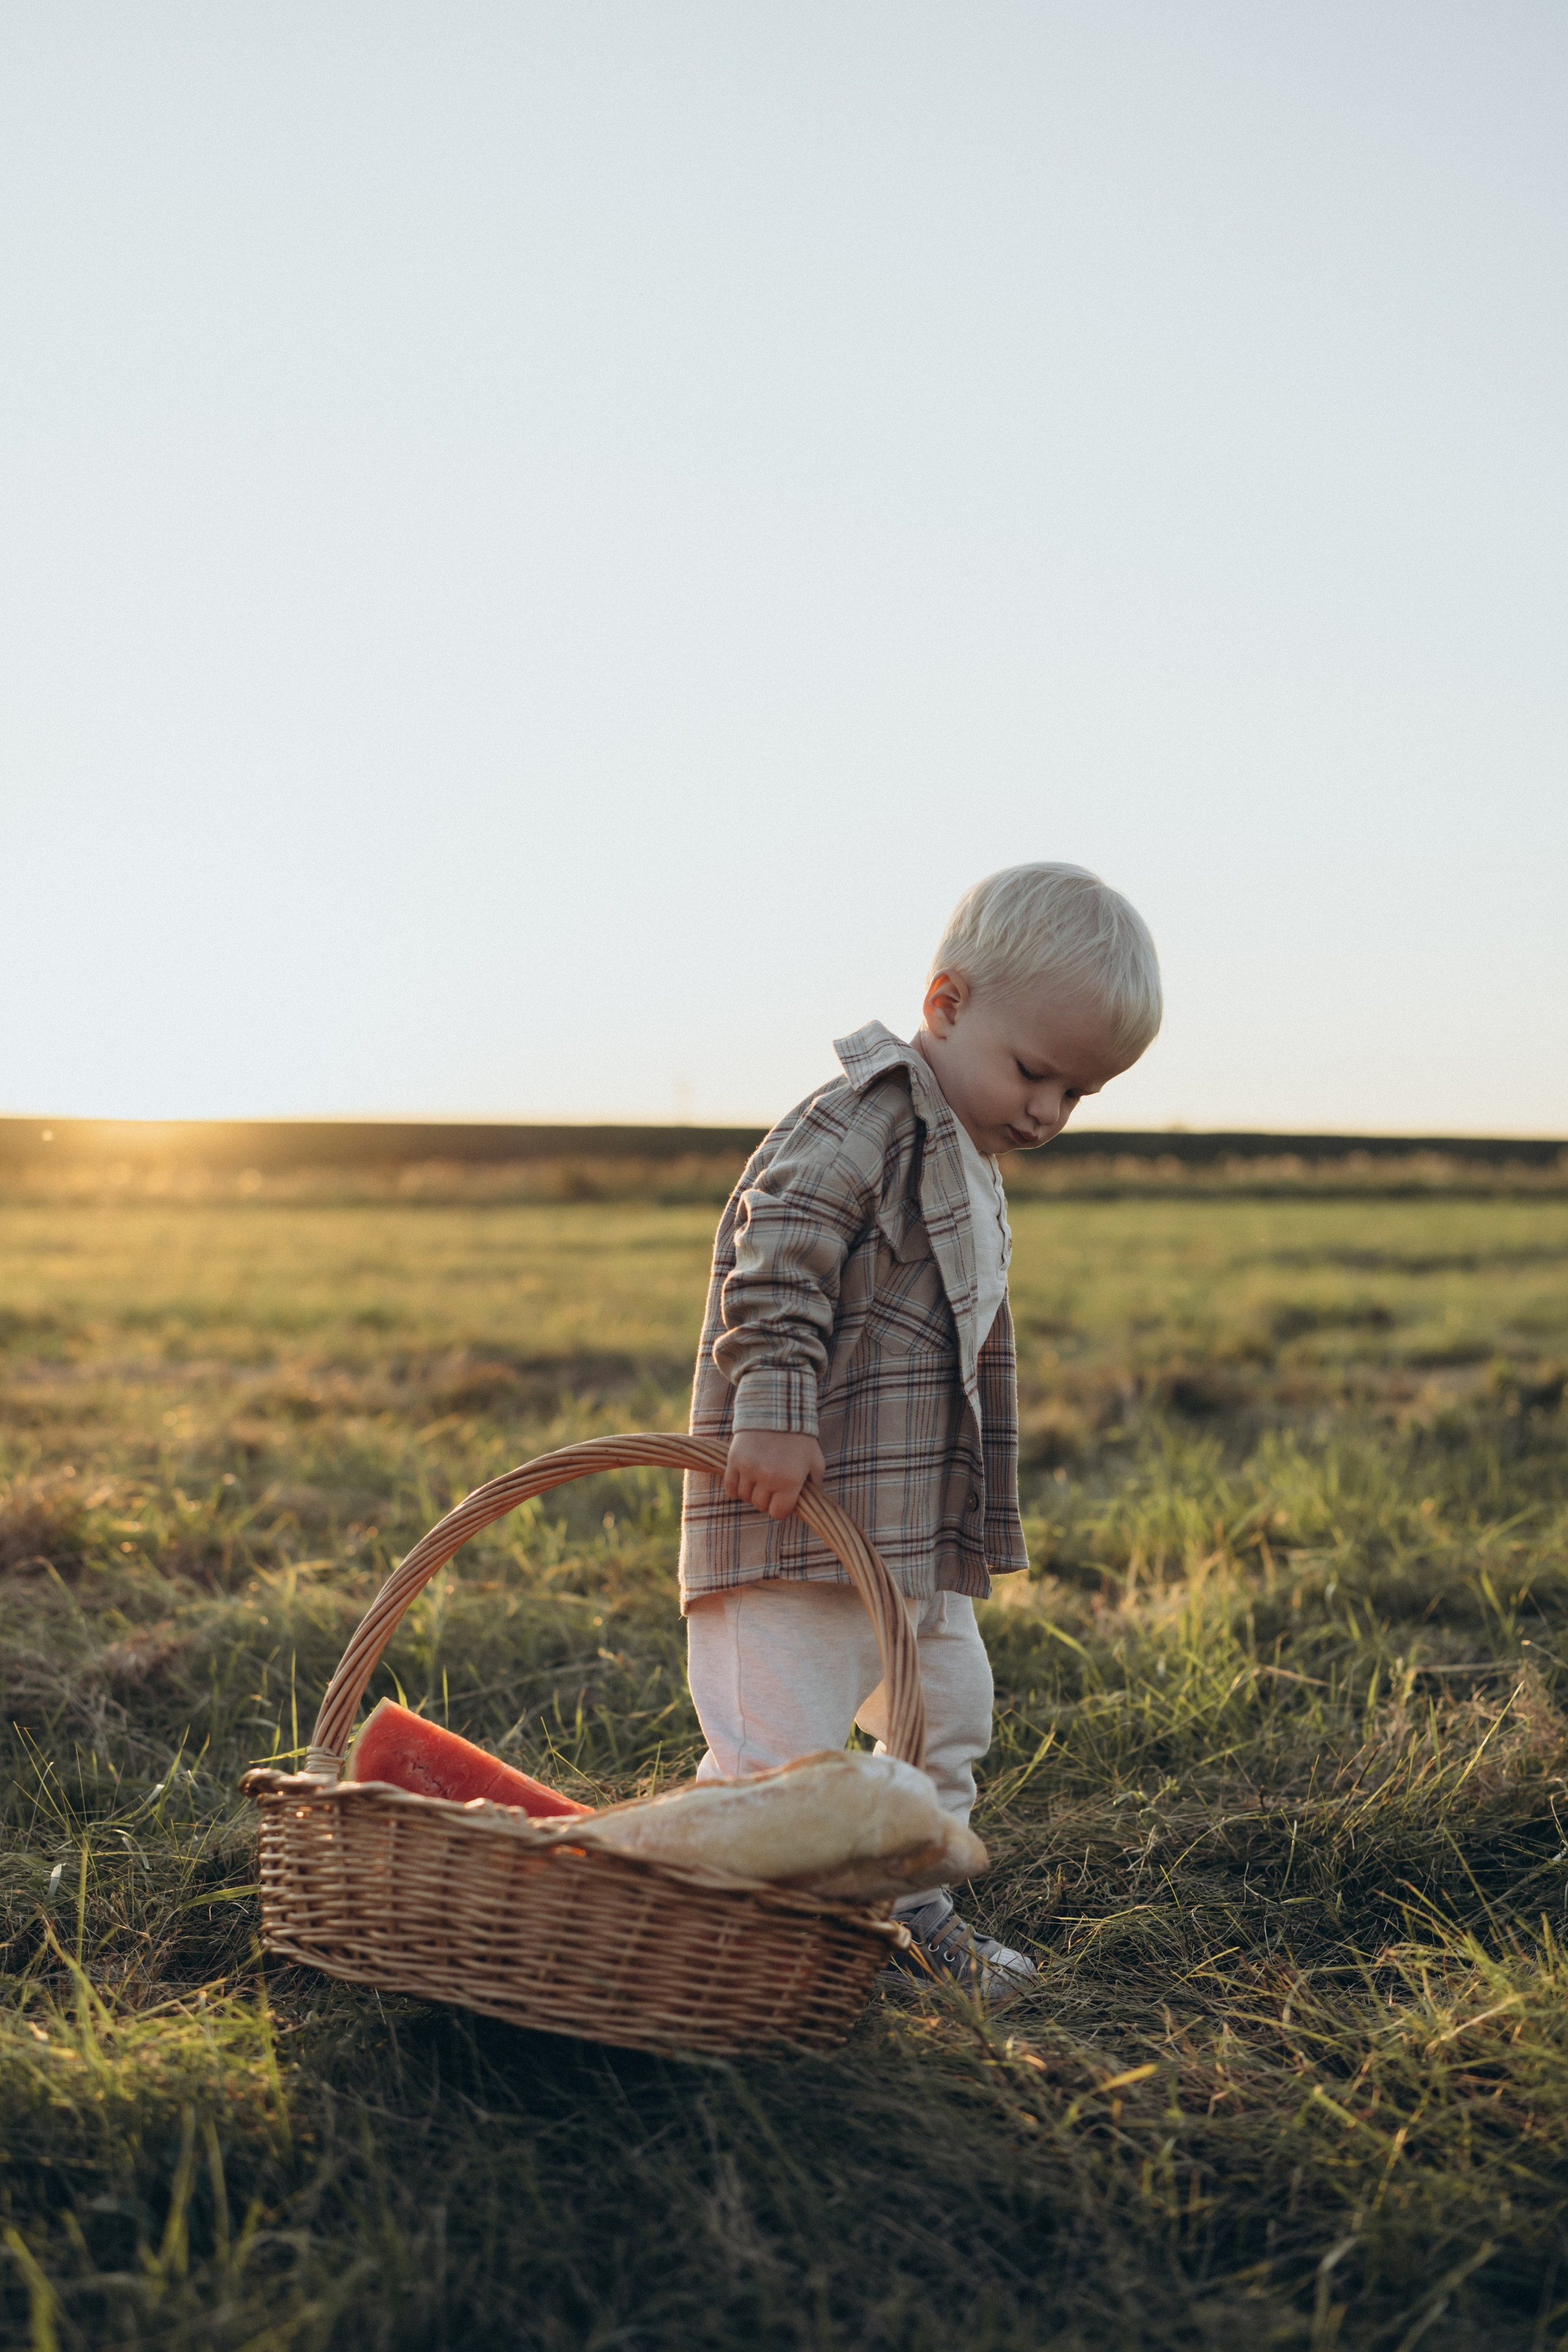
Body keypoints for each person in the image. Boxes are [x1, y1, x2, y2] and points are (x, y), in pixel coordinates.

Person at [679, 862, 1162, 2002]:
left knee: (944, 1732)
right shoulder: (867, 1119)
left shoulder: (973, 1157)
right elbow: (778, 1252)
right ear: (946, 1005)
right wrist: (777, 1413)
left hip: (913, 1537)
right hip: (797, 1519)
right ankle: (732, 1937)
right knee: (778, 1764)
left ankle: (911, 1920)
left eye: (1078, 1094)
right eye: (1035, 1071)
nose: (1048, 1111)